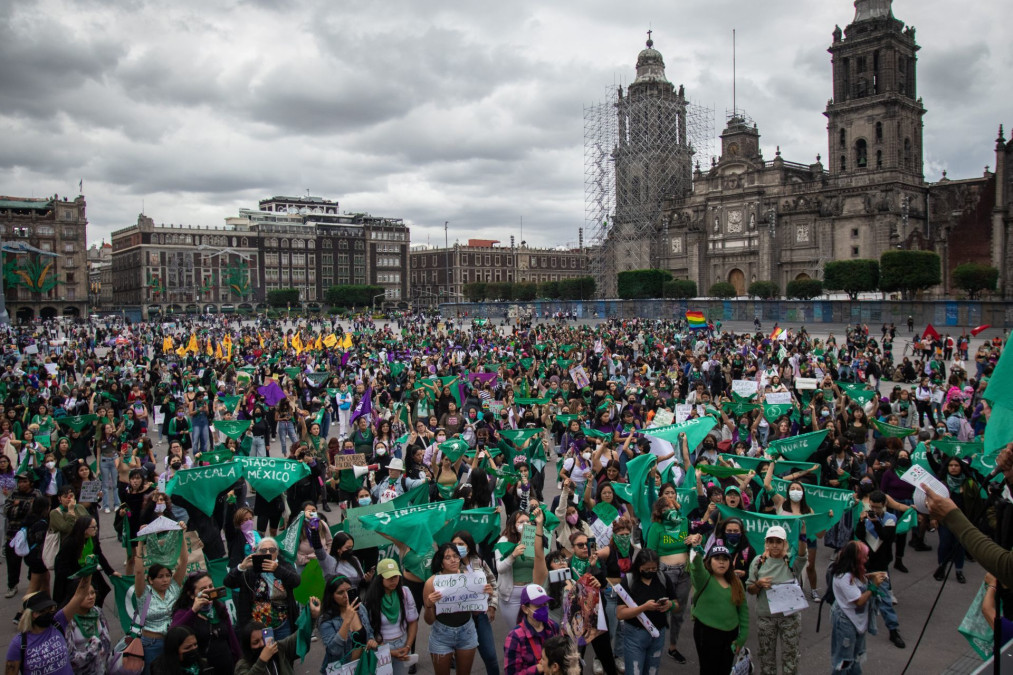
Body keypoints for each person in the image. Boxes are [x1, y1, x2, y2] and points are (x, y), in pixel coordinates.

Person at [746, 525, 808, 675]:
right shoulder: (758, 561)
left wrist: (803, 533)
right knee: (766, 659)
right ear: (766, 543)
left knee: (790, 659)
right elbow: (750, 588)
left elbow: (802, 554)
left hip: (790, 619)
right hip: (766, 618)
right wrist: (759, 584)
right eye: (771, 541)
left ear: (784, 543)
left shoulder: (791, 560)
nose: (774, 545)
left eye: (778, 541)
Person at [686, 534, 749, 675]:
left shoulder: (736, 582)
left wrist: (742, 637)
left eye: (725, 559)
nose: (721, 562)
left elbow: (743, 610)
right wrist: (696, 548)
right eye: (717, 559)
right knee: (709, 670)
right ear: (709, 561)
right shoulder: (704, 578)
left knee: (725, 669)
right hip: (707, 633)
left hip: (731, 635)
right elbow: (696, 567)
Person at [5, 575, 92, 675]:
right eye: (42, 611)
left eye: (49, 609)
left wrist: (88, 573)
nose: (47, 613)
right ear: (30, 615)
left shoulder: (58, 622)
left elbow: (79, 595)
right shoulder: (18, 644)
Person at [422, 543, 487, 675]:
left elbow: (476, 611)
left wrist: (483, 596)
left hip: (466, 631)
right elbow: (429, 620)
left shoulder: (469, 577)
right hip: (441, 634)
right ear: (441, 562)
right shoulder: (432, 583)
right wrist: (429, 605)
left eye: (456, 556)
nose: (453, 560)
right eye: (448, 557)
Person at [134, 526, 190, 670]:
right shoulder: (143, 593)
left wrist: (181, 535)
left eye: (167, 576)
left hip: (174, 641)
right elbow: (139, 572)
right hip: (152, 644)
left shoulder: (173, 588)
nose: (165, 580)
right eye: (160, 577)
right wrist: (140, 542)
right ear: (151, 580)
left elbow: (183, 561)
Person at [225, 537, 302, 639]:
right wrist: (241, 567)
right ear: (257, 553)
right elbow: (228, 583)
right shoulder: (251, 570)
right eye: (264, 550)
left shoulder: (284, 565)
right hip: (258, 627)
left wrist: (277, 569)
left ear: (277, 552)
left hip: (283, 624)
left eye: (272, 550)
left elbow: (296, 581)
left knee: (284, 651)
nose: (268, 553)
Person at [830, 541, 888, 675]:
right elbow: (859, 601)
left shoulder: (854, 571)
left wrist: (869, 577)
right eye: (864, 556)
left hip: (857, 621)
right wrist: (873, 586)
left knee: (856, 657)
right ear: (856, 558)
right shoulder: (843, 577)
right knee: (844, 660)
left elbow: (857, 583)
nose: (867, 559)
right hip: (845, 622)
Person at [616, 549, 678, 675]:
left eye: (653, 569)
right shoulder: (629, 581)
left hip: (657, 634)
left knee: (652, 670)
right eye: (646, 569)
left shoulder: (662, 578)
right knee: (634, 671)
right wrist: (643, 608)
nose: (650, 572)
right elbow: (620, 613)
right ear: (639, 567)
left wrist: (669, 605)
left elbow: (676, 604)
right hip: (635, 634)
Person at [168, 571, 242, 675]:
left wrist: (239, 661)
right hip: (204, 668)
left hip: (227, 666)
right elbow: (173, 635)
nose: (209, 591)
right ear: (191, 594)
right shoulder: (184, 612)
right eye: (203, 589)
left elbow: (231, 637)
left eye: (210, 586)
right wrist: (193, 611)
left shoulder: (219, 607)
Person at [451, 530, 500, 675]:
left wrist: (492, 605)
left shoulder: (479, 562)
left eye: (461, 544)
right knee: (463, 664)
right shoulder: (449, 567)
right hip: (460, 621)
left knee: (491, 657)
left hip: (480, 617)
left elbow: (492, 582)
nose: (457, 547)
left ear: (469, 546)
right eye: (454, 545)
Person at [233, 598, 322, 675]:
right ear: (248, 646)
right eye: (256, 642)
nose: (262, 644)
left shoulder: (279, 649)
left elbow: (300, 637)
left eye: (263, 639)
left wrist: (312, 616)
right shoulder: (242, 666)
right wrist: (262, 660)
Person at [361, 559, 418, 675]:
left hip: (403, 643)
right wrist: (390, 652)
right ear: (380, 578)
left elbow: (413, 622)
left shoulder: (405, 592)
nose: (393, 581)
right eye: (389, 577)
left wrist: (408, 646)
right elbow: (370, 631)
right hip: (381, 646)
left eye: (396, 576)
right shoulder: (371, 599)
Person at [318, 574, 376, 672]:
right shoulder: (326, 619)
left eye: (348, 591)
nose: (346, 596)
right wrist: (347, 621)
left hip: (363, 666)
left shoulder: (360, 609)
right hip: (341, 669)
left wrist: (371, 641)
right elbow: (334, 650)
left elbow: (369, 632)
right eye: (340, 592)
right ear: (331, 596)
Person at [503, 584, 561, 675]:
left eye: (545, 604)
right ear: (525, 609)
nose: (544, 609)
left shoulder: (554, 626)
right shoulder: (514, 638)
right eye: (538, 606)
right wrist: (538, 669)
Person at [65, 574, 113, 675]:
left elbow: (106, 637)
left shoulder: (97, 612)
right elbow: (69, 657)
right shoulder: (69, 621)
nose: (91, 597)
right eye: (86, 594)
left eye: (92, 593)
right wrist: (92, 651)